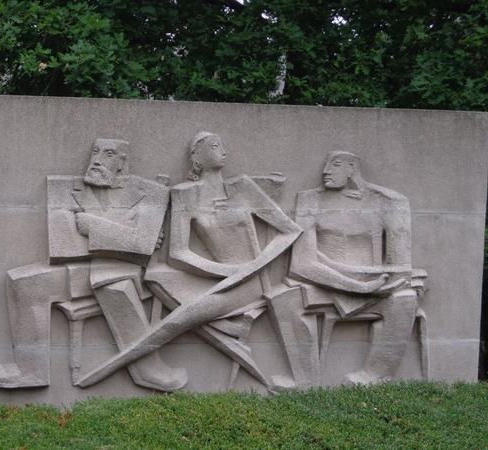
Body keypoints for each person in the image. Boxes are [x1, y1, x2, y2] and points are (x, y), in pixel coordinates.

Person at [76, 132, 302, 388]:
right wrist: (224, 271)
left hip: (250, 284)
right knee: (153, 275)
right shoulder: (185, 194)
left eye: (222, 145)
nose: (224, 151)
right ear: (197, 156)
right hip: (218, 275)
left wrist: (256, 264)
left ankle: (113, 366)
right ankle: (221, 327)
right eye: (216, 146)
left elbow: (290, 230)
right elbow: (179, 253)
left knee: (179, 320)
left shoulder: (242, 187)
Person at [0, 138, 188, 392]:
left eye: (108, 153)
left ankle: (148, 368)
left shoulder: (150, 191)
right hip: (82, 268)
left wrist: (93, 225)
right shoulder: (66, 188)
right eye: (95, 152)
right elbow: (64, 243)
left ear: (121, 162)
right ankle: (31, 370)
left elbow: (143, 245)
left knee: (115, 284)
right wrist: (125, 233)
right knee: (24, 283)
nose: (97, 159)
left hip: (126, 271)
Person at [266, 150, 426, 387]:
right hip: (325, 283)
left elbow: (400, 265)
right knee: (281, 298)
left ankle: (375, 376)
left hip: (376, 287)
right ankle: (304, 381)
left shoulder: (389, 201)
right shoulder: (311, 200)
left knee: (405, 297)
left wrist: (376, 285)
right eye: (326, 165)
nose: (325, 171)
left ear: (352, 169)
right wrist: (356, 285)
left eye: (336, 165)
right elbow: (301, 264)